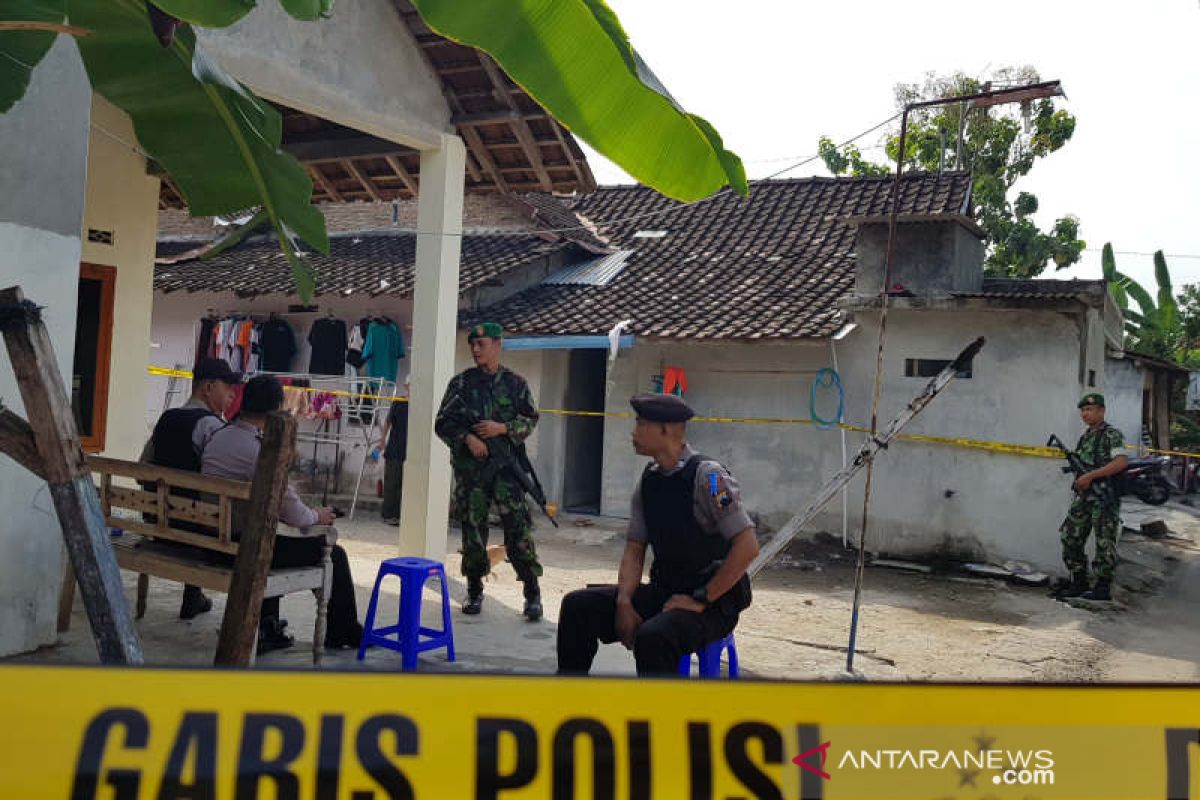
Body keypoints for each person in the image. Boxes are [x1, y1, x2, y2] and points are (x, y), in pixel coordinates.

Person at [556, 394, 759, 676]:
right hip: (665, 592)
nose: (633, 431)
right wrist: (624, 602)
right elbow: (634, 547)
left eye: (640, 423)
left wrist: (702, 598)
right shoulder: (649, 479)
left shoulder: (710, 477)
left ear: (664, 430)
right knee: (577, 607)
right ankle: (567, 700)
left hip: (713, 604)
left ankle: (660, 716)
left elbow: (747, 546)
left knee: (654, 638)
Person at [201, 375, 364, 654]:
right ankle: (343, 632)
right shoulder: (260, 451)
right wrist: (318, 515)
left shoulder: (219, 437)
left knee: (269, 531)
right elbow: (297, 515)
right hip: (242, 550)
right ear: (277, 409)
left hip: (213, 538)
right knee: (333, 553)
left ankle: (268, 626)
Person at [435, 322, 543, 620]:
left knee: (518, 529)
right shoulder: (461, 384)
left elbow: (530, 420)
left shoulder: (516, 384)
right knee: (472, 529)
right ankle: (473, 590)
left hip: (506, 471)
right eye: (472, 344)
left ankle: (532, 593)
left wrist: (503, 428)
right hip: (472, 472)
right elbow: (442, 423)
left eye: (481, 344)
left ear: (498, 345)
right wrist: (467, 438)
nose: (475, 349)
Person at [139, 357, 240, 620]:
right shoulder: (213, 427)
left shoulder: (165, 419)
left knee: (194, 504)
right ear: (208, 387)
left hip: (160, 523)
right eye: (227, 386)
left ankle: (193, 597)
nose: (233, 394)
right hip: (202, 530)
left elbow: (142, 470)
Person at [1056, 393, 1128, 602]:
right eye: (1083, 410)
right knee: (1069, 536)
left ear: (1101, 411)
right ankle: (1079, 581)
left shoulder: (1112, 435)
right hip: (1085, 497)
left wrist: (1090, 476)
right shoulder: (1086, 437)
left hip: (1104, 497)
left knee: (1105, 542)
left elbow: (1121, 462)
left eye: (1090, 409)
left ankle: (1102, 587)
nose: (1085, 414)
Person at [377, 377, 410, 526]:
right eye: (410, 384)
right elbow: (388, 422)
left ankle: (399, 515)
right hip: (395, 448)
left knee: (404, 485)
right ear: (406, 385)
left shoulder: (419, 405)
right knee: (392, 483)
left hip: (410, 450)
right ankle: (388, 514)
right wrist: (382, 440)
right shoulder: (399, 401)